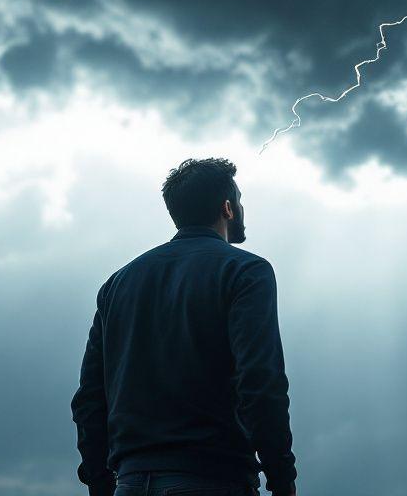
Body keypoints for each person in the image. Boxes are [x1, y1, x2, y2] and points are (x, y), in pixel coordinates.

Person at [71, 158, 297, 496]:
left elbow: (89, 399)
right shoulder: (247, 271)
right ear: (228, 208)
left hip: (129, 482)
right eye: (240, 198)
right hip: (213, 479)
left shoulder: (117, 283)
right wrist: (282, 480)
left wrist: (101, 484)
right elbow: (260, 381)